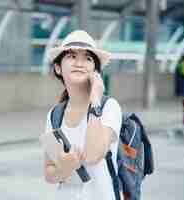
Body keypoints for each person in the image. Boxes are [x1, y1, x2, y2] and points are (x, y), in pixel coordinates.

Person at [43, 30, 122, 200]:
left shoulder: (109, 107)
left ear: (95, 71)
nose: (79, 63)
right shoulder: (54, 115)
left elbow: (93, 154)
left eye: (88, 58)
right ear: (58, 68)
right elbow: (49, 173)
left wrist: (95, 99)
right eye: (71, 56)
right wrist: (64, 167)